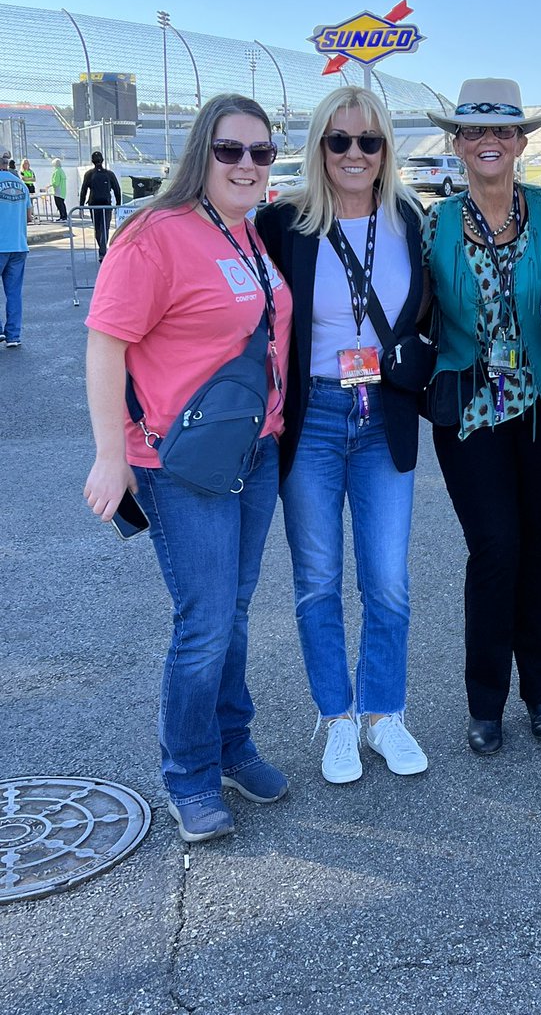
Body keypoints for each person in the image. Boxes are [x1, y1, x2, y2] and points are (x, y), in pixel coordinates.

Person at [83, 94, 293, 842]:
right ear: (201, 152)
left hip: (254, 453)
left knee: (232, 614)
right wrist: (113, 455)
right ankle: (190, 774)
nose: (246, 165)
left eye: (261, 153)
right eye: (230, 150)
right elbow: (107, 344)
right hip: (179, 463)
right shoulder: (154, 235)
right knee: (203, 623)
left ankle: (234, 745)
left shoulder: (246, 234)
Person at [256, 86, 429, 785]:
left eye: (370, 142)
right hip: (315, 417)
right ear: (319, 147)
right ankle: (336, 716)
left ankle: (384, 714)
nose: (355, 154)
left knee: (387, 582)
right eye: (339, 141)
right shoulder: (281, 224)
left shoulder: (411, 221)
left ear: (387, 150)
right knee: (317, 583)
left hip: (384, 412)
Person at [423, 79, 541, 756]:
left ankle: (540, 693)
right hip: (471, 410)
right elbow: (402, 306)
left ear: (520, 142)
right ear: (457, 144)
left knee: (538, 550)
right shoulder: (433, 223)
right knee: (494, 549)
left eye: (504, 132)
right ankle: (485, 702)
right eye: (475, 132)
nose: (490, 142)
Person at [0, 155, 31, 347]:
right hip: (19, 245)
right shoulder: (22, 184)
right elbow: (29, 216)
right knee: (14, 292)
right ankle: (13, 335)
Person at [79, 150, 122, 261]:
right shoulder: (109, 174)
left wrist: (81, 206)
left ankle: (102, 250)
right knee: (104, 228)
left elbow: (83, 190)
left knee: (98, 229)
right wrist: (118, 205)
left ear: (92, 161)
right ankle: (103, 251)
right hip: (106, 205)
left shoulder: (89, 174)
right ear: (102, 160)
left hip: (94, 205)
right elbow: (117, 190)